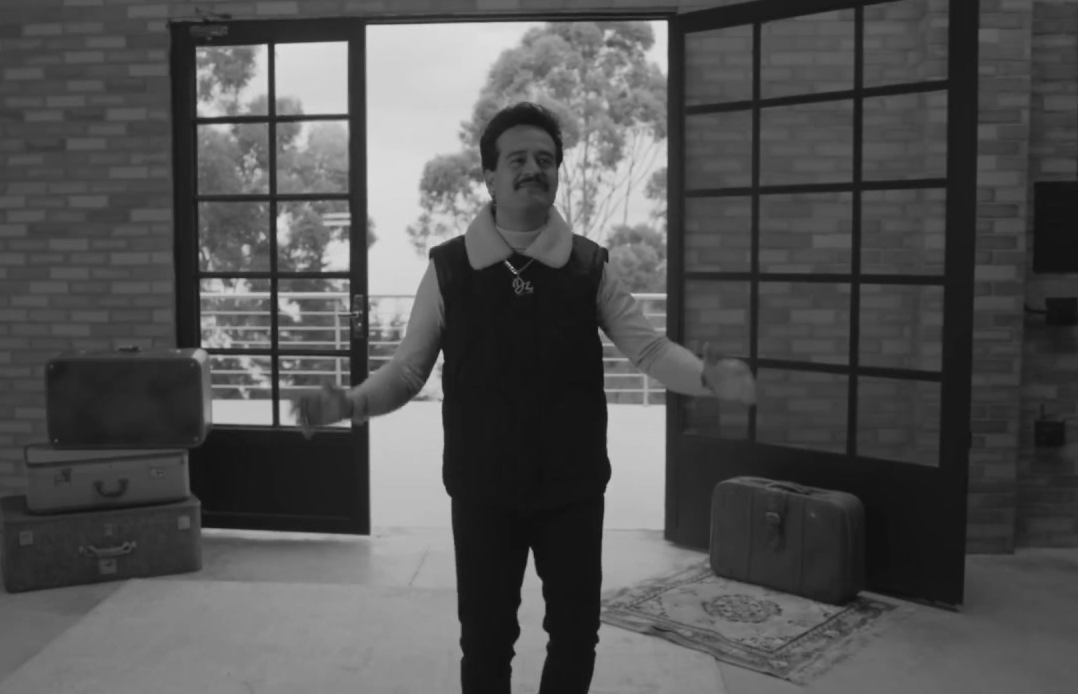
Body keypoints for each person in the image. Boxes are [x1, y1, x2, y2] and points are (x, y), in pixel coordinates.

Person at [292, 101, 757, 694]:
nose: (533, 169)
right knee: (486, 639)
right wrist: (350, 403)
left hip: (573, 486)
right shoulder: (450, 269)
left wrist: (709, 378)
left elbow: (649, 349)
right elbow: (409, 371)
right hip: (482, 487)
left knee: (575, 634)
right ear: (489, 177)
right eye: (517, 159)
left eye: (545, 159)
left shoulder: (589, 266)